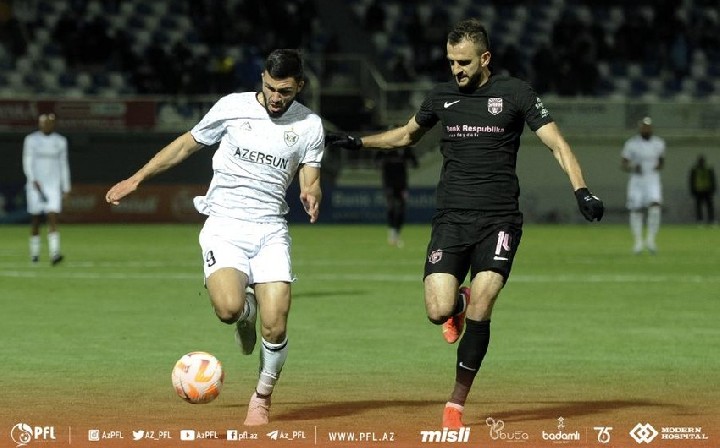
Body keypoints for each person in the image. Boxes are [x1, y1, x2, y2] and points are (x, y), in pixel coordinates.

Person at [327, 18, 604, 428]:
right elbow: (406, 135)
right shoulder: (441, 97)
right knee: (437, 310)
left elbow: (557, 144)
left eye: (464, 62)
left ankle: (456, 402)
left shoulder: (516, 93)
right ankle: (457, 304)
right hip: (451, 219)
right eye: (451, 61)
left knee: (484, 303)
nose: (455, 69)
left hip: (499, 220)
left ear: (485, 58)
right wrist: (358, 142)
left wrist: (582, 190)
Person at [105, 49, 324, 426]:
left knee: (277, 323)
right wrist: (138, 178)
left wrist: (311, 191)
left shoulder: (310, 125)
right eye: (271, 88)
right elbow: (185, 144)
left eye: (285, 91)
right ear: (262, 79)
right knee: (227, 310)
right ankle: (245, 314)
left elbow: (310, 173)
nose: (276, 97)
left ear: (299, 86)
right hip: (225, 224)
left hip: (271, 228)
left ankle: (261, 398)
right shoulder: (232, 107)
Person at [22, 113, 71, 265]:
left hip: (53, 185)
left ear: (53, 124)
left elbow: (64, 164)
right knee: (36, 219)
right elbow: (27, 161)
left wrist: (66, 186)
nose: (45, 126)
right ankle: (34, 254)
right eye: (43, 123)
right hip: (35, 185)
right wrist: (32, 179)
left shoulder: (60, 141)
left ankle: (55, 253)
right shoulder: (31, 140)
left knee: (53, 216)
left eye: (48, 123)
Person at [621, 116, 665, 254]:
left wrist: (658, 166)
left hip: (652, 179)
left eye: (648, 127)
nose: (646, 129)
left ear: (651, 128)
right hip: (637, 180)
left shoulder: (659, 143)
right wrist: (633, 167)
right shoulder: (631, 144)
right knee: (636, 209)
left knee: (655, 207)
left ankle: (651, 240)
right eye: (644, 127)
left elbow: (661, 161)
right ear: (640, 128)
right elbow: (624, 163)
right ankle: (638, 242)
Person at [375, 146, 418, 247]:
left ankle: (397, 232)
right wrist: (382, 163)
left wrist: (408, 162)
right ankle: (392, 231)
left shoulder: (405, 148)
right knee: (391, 206)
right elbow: (376, 160)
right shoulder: (385, 146)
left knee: (401, 209)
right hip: (389, 183)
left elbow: (415, 163)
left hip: (401, 184)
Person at [688, 154, 716, 224]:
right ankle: (700, 220)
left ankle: (711, 220)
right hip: (698, 191)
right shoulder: (694, 170)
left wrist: (713, 190)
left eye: (702, 161)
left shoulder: (709, 169)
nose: (701, 163)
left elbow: (713, 180)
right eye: (700, 161)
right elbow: (691, 181)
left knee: (710, 206)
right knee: (699, 206)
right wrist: (692, 191)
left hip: (707, 190)